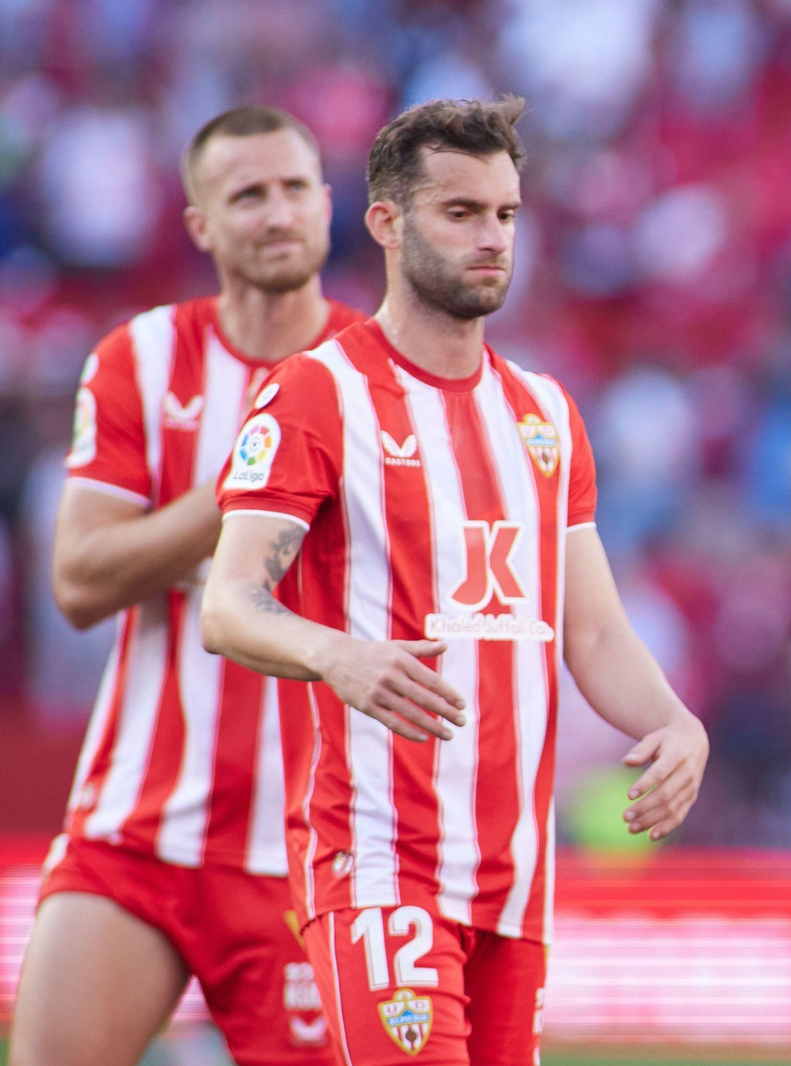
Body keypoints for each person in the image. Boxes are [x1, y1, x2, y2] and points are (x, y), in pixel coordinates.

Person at [199, 96, 709, 1066]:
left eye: (507, 215)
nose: (492, 239)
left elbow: (591, 633)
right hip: (382, 861)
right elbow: (229, 603)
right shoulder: (320, 391)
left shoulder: (545, 413)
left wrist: (676, 722)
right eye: (462, 213)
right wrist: (333, 652)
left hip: (517, 882)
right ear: (387, 223)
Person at [11, 105, 360, 1066]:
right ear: (203, 224)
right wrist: (245, 487)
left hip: (312, 849)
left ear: (330, 207)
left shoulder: (378, 378)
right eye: (247, 194)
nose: (277, 212)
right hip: (141, 824)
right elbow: (78, 582)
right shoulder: (142, 357)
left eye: (294, 188)